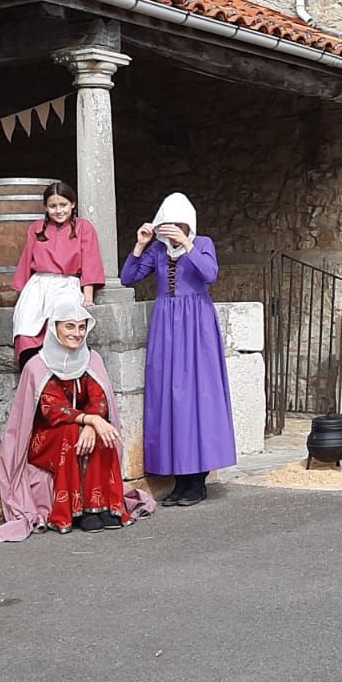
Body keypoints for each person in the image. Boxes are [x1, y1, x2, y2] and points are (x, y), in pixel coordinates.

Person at [0, 296, 154, 541]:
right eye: (69, 326)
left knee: (102, 434)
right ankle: (74, 512)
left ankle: (103, 506)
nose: (77, 333)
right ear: (55, 328)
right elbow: (52, 408)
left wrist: (93, 423)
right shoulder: (37, 365)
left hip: (83, 426)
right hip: (45, 438)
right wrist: (90, 421)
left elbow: (99, 399)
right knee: (71, 434)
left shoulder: (91, 359)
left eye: (82, 327)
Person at [120, 192, 237, 505]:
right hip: (165, 327)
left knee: (198, 397)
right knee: (169, 398)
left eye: (178, 224)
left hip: (196, 326)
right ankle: (180, 480)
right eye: (167, 224)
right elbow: (128, 278)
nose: (171, 229)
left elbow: (210, 275)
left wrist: (187, 245)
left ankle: (198, 481)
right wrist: (141, 244)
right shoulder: (158, 250)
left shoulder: (203, 244)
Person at [9, 181, 105, 370]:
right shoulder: (36, 229)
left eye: (63, 205)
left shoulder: (83, 228)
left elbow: (90, 262)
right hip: (37, 285)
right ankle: (32, 370)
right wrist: (21, 295)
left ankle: (59, 373)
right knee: (25, 325)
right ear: (45, 207)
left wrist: (88, 298)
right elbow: (26, 259)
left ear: (73, 204)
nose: (58, 210)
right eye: (53, 206)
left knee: (60, 324)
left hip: (66, 284)